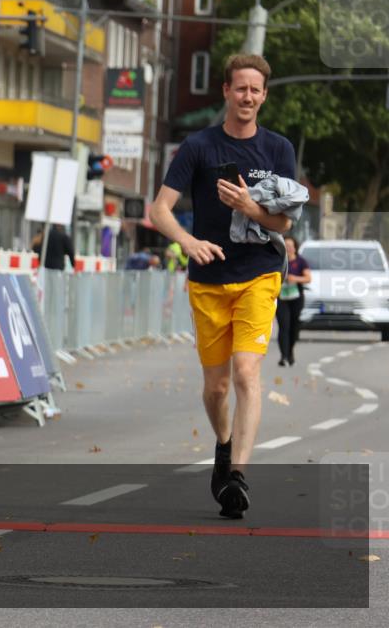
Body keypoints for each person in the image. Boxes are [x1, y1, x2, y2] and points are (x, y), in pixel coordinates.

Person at [150, 54, 296, 519]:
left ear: (264, 95)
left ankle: (236, 475)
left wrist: (251, 209)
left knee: (247, 374)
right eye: (240, 89)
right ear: (227, 92)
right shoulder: (198, 146)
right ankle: (224, 442)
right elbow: (159, 210)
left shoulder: (278, 150)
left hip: (260, 270)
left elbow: (285, 220)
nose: (248, 97)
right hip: (209, 279)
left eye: (256, 89)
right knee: (215, 389)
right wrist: (189, 241)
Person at [275, 236, 311, 366]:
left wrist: (294, 278)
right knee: (284, 326)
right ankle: (283, 356)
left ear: (295, 247)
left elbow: (308, 278)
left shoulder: (301, 262)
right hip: (281, 298)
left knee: (294, 327)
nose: (289, 249)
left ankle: (290, 352)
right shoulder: (278, 260)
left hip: (296, 298)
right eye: (286, 246)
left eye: (291, 246)